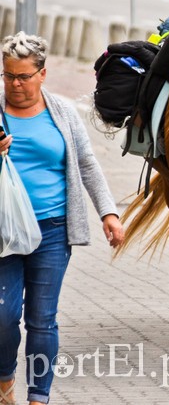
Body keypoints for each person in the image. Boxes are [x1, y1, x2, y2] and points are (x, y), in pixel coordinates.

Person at [0, 32, 124, 405]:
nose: (15, 84)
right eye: (8, 76)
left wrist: (109, 212)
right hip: (4, 232)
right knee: (4, 316)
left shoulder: (62, 112)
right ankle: (5, 380)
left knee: (42, 320)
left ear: (42, 73)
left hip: (53, 229)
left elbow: (86, 163)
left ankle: (39, 397)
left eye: (23, 76)